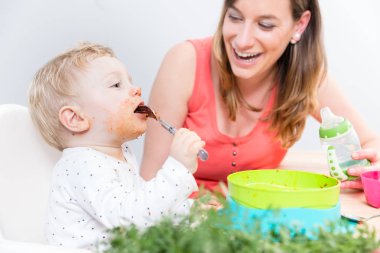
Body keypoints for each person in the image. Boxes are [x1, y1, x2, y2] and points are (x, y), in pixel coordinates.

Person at [141, 0, 380, 191]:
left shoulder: (307, 79)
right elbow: (150, 182)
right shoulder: (185, 62)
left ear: (299, 26)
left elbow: (372, 143)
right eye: (235, 17)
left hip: (259, 226)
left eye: (265, 25)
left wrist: (367, 171)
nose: (242, 41)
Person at [28, 42, 206, 250]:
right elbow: (132, 220)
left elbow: (142, 206)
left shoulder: (121, 156)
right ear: (75, 118)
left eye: (130, 82)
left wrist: (191, 211)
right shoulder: (82, 165)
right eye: (116, 85)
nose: (136, 90)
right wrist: (178, 168)